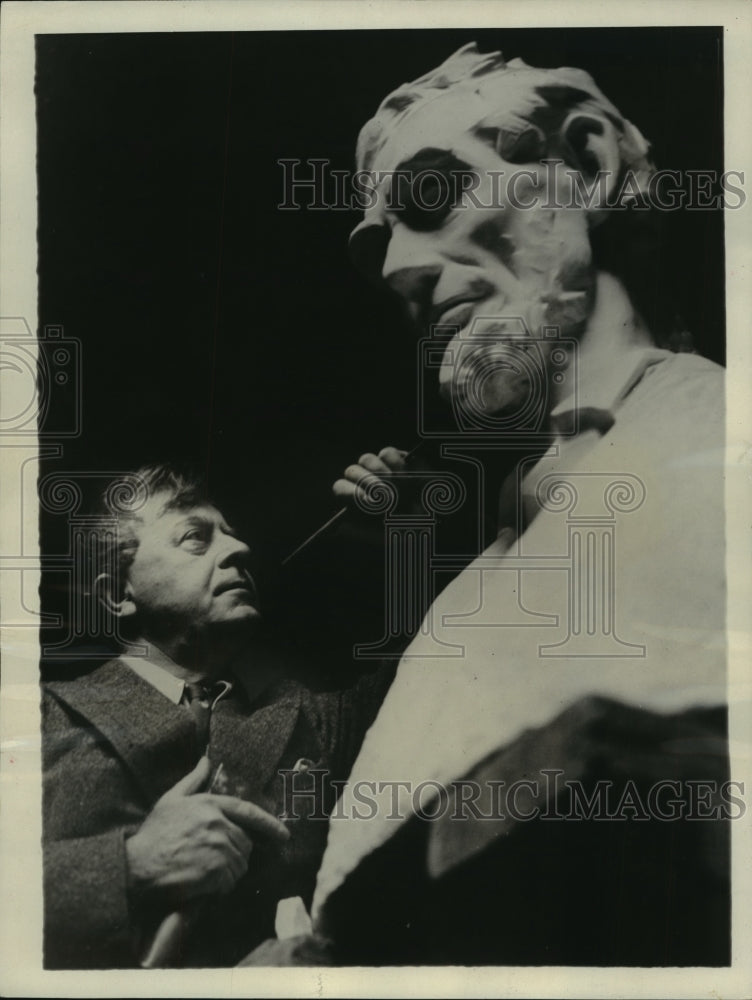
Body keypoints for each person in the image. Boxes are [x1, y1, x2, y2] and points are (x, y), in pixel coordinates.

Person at [247, 42, 730, 966]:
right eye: (377, 240)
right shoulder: (476, 577)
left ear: (585, 165)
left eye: (433, 196)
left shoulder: (720, 449)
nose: (395, 269)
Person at [42, 463, 394, 969]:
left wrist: (408, 528)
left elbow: (448, 666)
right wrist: (131, 864)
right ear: (118, 594)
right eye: (195, 538)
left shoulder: (311, 720)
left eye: (231, 535)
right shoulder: (40, 715)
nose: (240, 550)